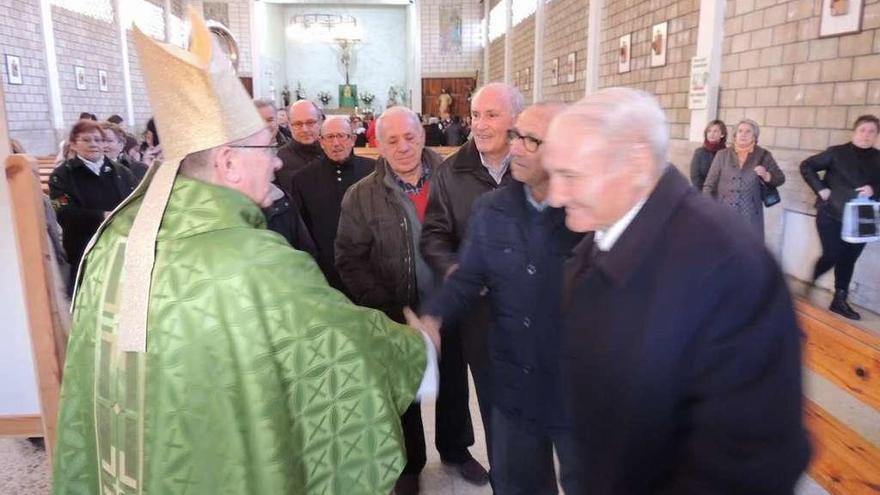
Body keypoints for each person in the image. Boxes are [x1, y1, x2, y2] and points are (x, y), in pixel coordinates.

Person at [52, 13, 438, 495]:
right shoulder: (251, 260)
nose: (277, 160)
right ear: (228, 162)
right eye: (265, 148)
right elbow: (338, 344)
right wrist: (416, 347)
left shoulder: (117, 239)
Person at [542, 88, 809, 494]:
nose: (555, 195)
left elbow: (750, 461)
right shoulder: (597, 240)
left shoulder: (728, 265)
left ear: (636, 162)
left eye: (570, 176)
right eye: (552, 175)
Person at [420, 102, 584, 494]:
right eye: (516, 136)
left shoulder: (586, 212)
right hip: (513, 377)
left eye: (530, 140)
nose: (515, 148)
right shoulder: (492, 208)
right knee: (515, 481)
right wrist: (434, 318)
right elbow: (468, 275)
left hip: (574, 382)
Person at [335, 106, 446, 495]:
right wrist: (392, 309)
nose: (403, 148)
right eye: (392, 141)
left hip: (452, 302)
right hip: (397, 306)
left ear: (423, 135)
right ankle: (411, 464)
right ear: (377, 145)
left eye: (410, 137)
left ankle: (455, 448)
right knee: (406, 392)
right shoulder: (361, 196)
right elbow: (349, 258)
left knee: (454, 384)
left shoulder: (452, 179)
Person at [420, 82, 524, 485]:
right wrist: (457, 269)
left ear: (515, 120)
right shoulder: (452, 172)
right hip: (482, 316)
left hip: (534, 312)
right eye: (476, 115)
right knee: (497, 412)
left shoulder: (533, 165)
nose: (479, 125)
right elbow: (433, 235)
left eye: (491, 115)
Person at [800, 114, 880, 320]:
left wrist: (874, 189)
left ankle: (839, 299)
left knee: (849, 258)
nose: (866, 135)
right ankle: (812, 280)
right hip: (831, 214)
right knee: (833, 253)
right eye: (863, 130)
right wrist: (821, 189)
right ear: (855, 131)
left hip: (863, 219)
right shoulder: (837, 153)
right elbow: (806, 166)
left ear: (877, 135)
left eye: (872, 131)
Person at [49, 119, 137, 295]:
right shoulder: (61, 176)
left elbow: (135, 203)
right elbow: (63, 211)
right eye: (86, 140)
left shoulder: (121, 172)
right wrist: (102, 216)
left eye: (98, 140)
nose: (94, 144)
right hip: (84, 246)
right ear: (73, 144)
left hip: (119, 244)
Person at [290, 116, 375, 294]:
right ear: (321, 142)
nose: (336, 143)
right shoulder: (303, 179)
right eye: (329, 137)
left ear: (352, 139)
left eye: (342, 136)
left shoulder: (374, 171)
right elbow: (302, 230)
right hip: (325, 270)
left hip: (370, 266)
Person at [702, 118, 785, 240]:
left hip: (750, 216)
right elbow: (709, 185)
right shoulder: (722, 155)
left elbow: (780, 178)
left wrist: (767, 176)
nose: (743, 135)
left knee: (746, 252)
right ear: (735, 135)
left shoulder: (763, 155)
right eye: (740, 131)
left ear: (754, 135)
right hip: (723, 214)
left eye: (748, 132)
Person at [276, 99, 325, 194]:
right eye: (298, 124)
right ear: (289, 125)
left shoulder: (331, 152)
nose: (305, 129)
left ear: (320, 122)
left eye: (310, 122)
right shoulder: (279, 160)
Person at [689, 119, 727, 190]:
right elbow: (695, 177)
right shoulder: (699, 152)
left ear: (722, 134)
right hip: (703, 193)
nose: (711, 134)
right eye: (709, 131)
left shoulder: (727, 153)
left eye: (715, 131)